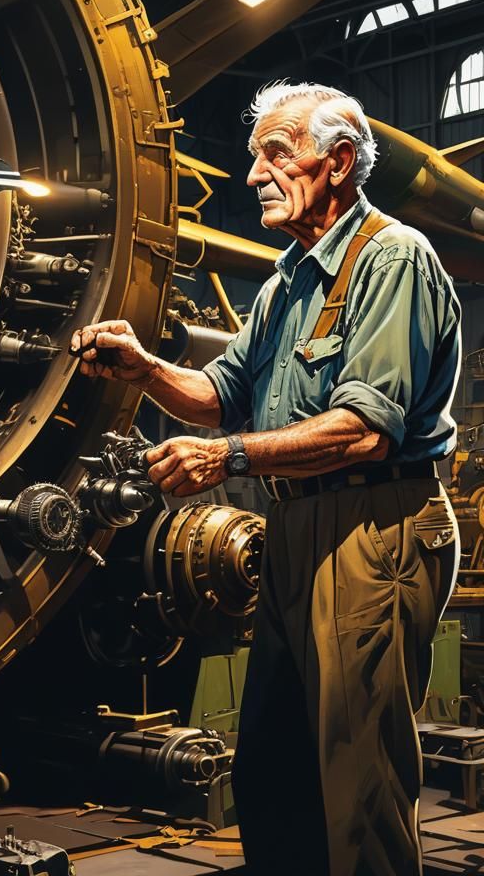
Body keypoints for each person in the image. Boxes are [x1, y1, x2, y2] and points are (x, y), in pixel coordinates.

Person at [71, 80, 461, 876]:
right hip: (296, 531)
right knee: (273, 771)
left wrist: (231, 458)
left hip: (373, 531)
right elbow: (220, 396)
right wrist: (145, 370)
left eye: (275, 155)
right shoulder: (286, 282)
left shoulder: (391, 259)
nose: (253, 175)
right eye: (255, 158)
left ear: (339, 162)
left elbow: (362, 429)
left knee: (359, 785)